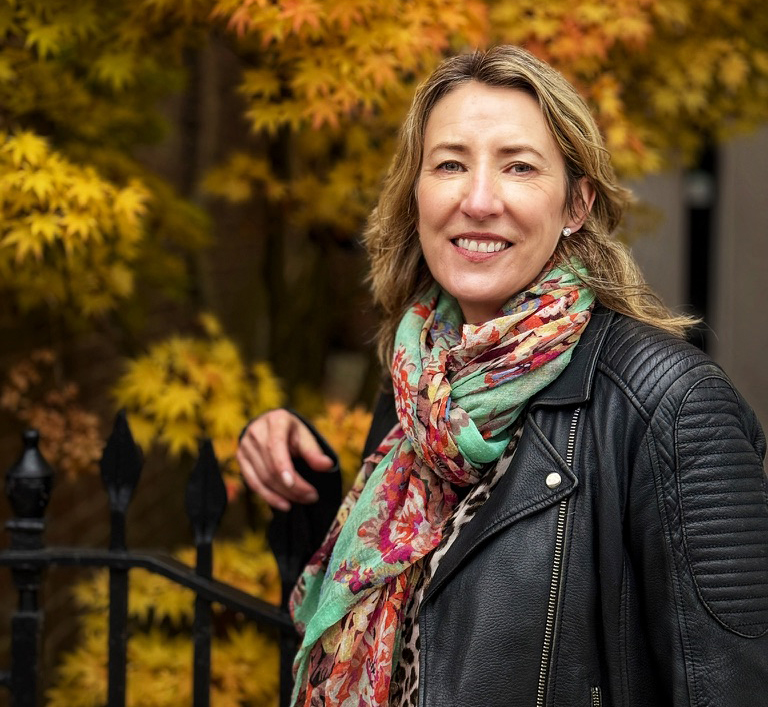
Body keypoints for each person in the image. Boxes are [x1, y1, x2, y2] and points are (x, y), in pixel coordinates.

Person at [237, 46, 768, 707]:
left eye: (518, 167)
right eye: (451, 164)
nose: (478, 199)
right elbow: (410, 624)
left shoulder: (672, 403)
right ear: (417, 193)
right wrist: (305, 490)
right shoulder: (417, 386)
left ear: (576, 204)